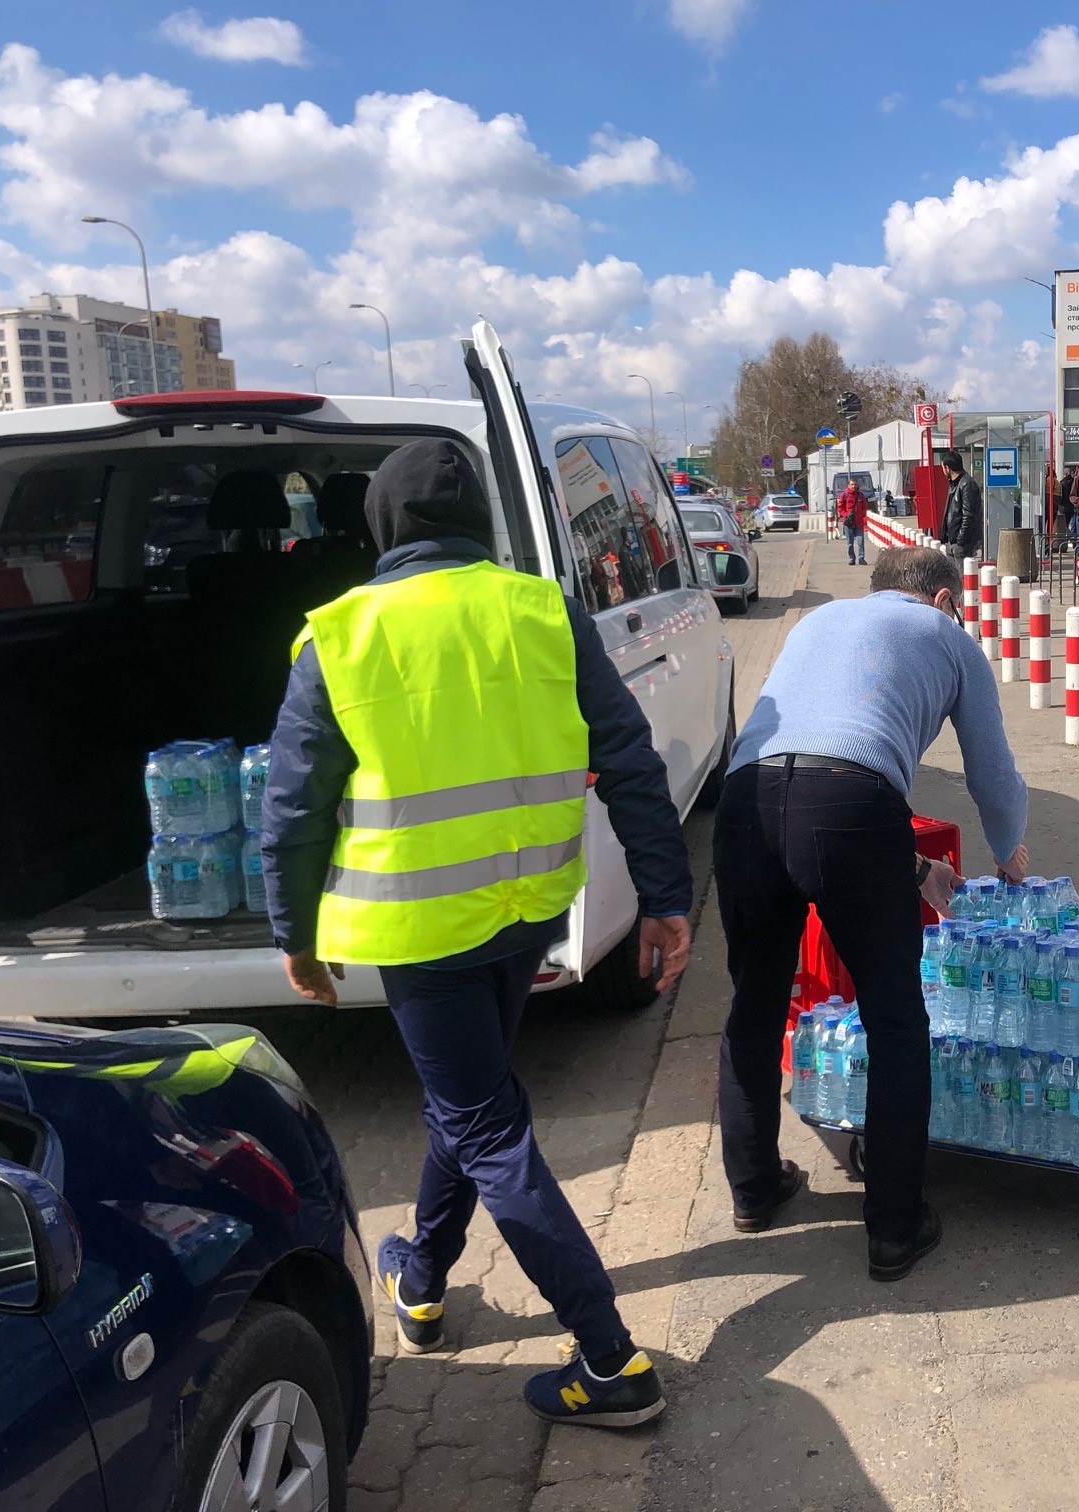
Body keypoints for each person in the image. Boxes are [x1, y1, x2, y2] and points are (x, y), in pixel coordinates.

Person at [261, 439, 693, 1429]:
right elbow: (627, 755)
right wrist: (665, 899)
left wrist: (295, 933)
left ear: (378, 526)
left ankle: (611, 1360)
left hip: (421, 932)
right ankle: (420, 1280)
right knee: (472, 1104)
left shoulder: (342, 633)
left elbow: (291, 809)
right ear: (481, 526)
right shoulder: (544, 610)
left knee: (484, 1123)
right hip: (526, 911)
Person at [716, 546, 1029, 1280]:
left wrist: (919, 869)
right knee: (894, 1018)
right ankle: (894, 1225)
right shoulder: (951, 640)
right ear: (947, 599)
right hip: (850, 801)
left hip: (744, 799)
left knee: (755, 1005)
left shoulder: (818, 623)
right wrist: (1011, 852)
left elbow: (802, 773)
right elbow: (992, 774)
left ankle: (754, 1189)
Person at [939, 451, 983, 563]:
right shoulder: (954, 483)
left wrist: (961, 541)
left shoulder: (967, 484)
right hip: (952, 541)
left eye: (943, 467)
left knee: (963, 577)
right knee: (954, 578)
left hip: (962, 544)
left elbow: (969, 515)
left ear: (947, 468)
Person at [835, 479, 870, 566]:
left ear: (857, 485)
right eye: (852, 484)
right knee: (850, 543)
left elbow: (864, 507)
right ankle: (852, 559)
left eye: (855, 484)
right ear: (849, 485)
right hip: (849, 523)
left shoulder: (861, 495)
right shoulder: (844, 494)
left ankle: (861, 558)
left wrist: (862, 516)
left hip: (859, 523)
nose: (854, 486)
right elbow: (840, 507)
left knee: (860, 541)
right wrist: (845, 515)